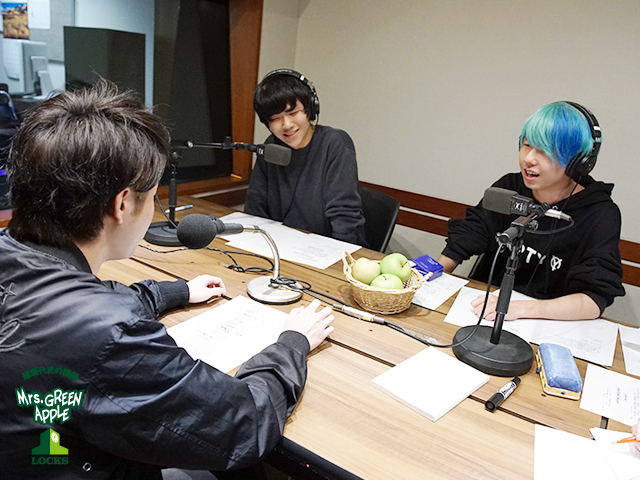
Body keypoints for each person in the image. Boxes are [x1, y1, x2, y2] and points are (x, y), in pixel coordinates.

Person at [0, 81, 334, 479]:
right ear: (123, 203)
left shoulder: (17, 257)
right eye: (151, 196)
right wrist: (291, 343)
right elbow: (244, 423)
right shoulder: (111, 334)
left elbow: (70, 314)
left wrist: (174, 292)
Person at [437, 101, 624, 322]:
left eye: (544, 151)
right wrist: (428, 275)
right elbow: (467, 236)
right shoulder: (509, 187)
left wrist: (519, 309)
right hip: (482, 313)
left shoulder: (600, 214)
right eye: (527, 145)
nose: (528, 159)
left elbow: (593, 300)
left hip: (545, 323)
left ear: (579, 162)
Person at [244, 69, 367, 246]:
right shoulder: (272, 147)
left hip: (327, 250)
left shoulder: (334, 143)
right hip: (283, 247)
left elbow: (345, 220)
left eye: (293, 113)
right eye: (275, 118)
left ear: (310, 108)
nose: (287, 125)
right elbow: (255, 208)